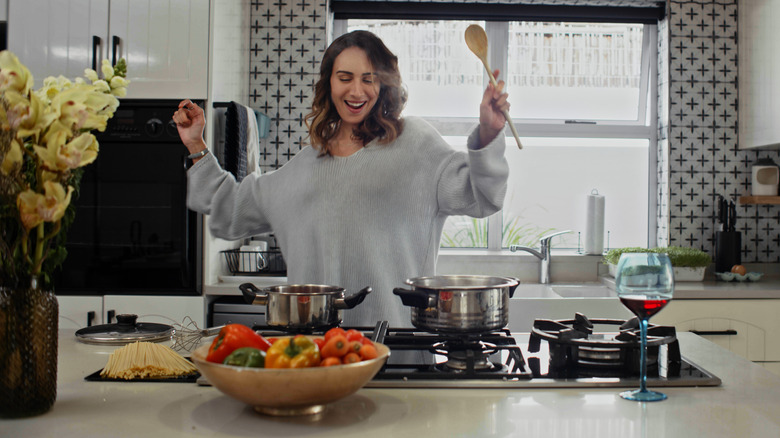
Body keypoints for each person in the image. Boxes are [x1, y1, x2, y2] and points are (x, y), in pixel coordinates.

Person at [173, 30, 511, 328]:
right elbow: (230, 209)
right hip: (318, 355)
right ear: (329, 84)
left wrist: (488, 133)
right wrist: (196, 145)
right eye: (345, 77)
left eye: (369, 78)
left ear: (384, 84)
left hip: (396, 349)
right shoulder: (306, 165)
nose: (356, 90)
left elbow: (481, 196)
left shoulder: (417, 144)